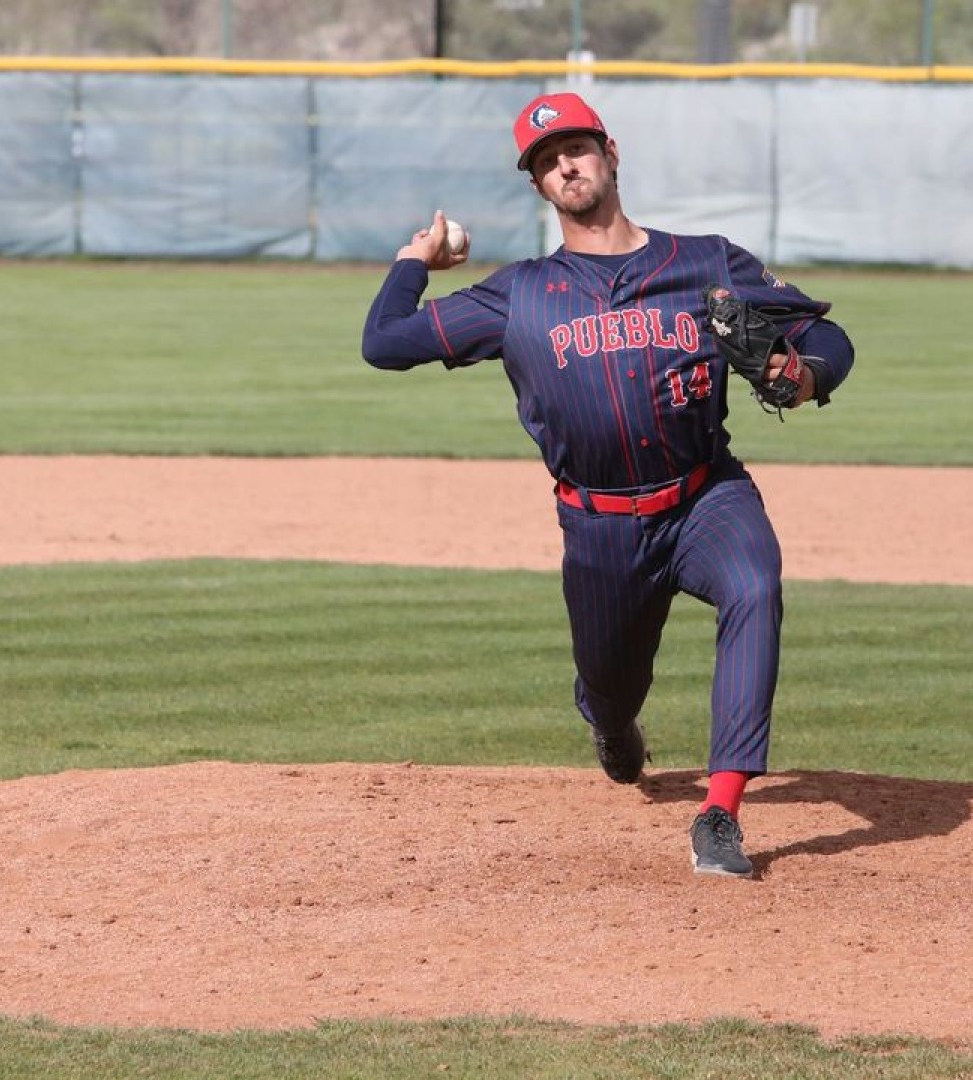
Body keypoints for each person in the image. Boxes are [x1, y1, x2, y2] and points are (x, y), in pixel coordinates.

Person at [360, 91, 854, 878]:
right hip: (599, 530)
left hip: (703, 495)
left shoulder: (706, 262)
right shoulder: (517, 294)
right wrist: (414, 261)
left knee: (755, 584)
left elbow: (824, 333)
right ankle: (611, 724)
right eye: (546, 160)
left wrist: (805, 376)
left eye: (577, 147)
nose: (565, 163)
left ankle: (720, 811)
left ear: (610, 153)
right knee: (612, 690)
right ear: (538, 186)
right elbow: (383, 343)